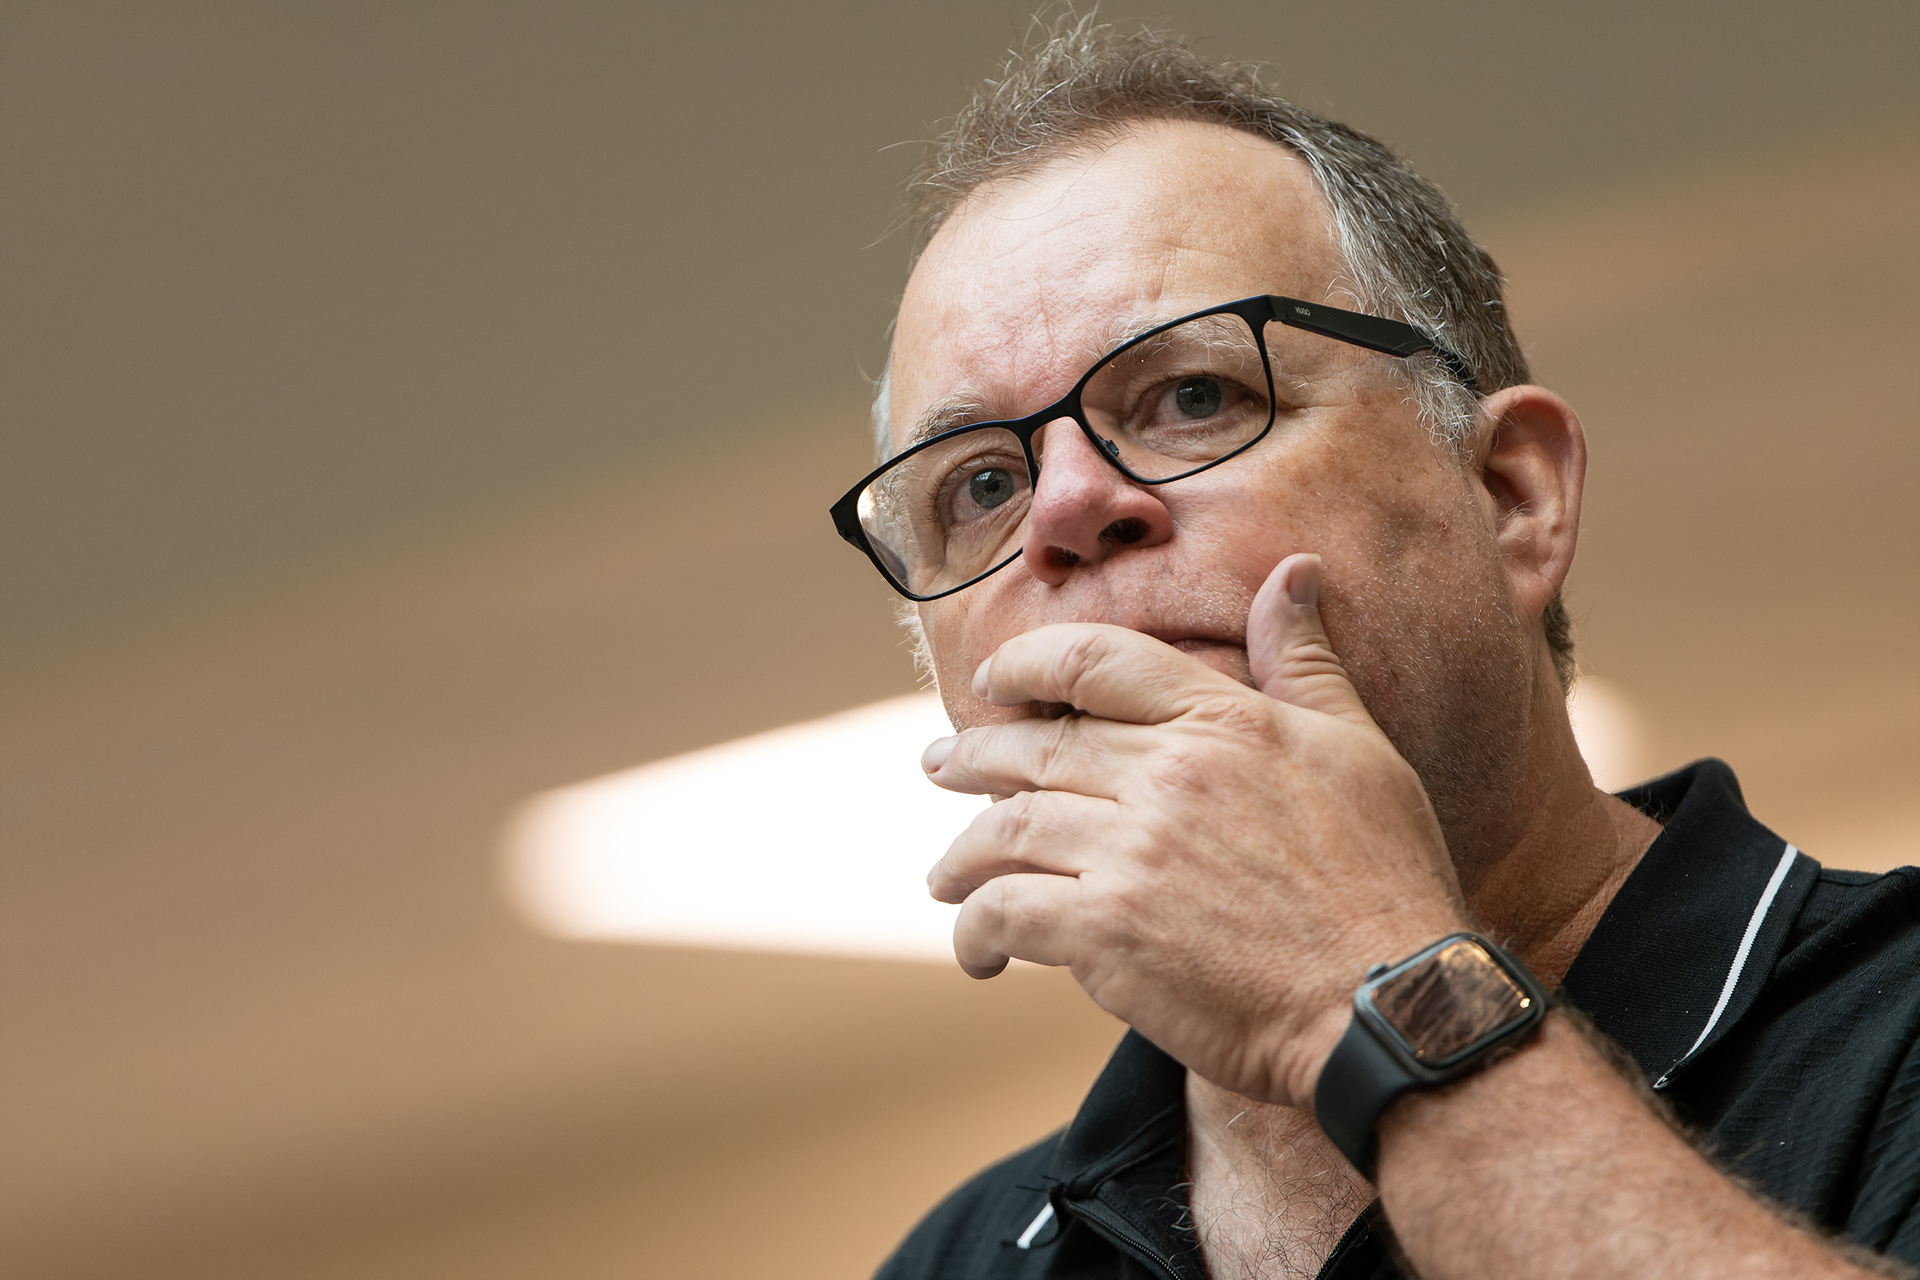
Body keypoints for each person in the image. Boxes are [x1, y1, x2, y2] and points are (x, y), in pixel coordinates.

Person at [828, 19, 1920, 1280]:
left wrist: (1374, 987)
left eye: (1194, 395)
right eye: (979, 484)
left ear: (1512, 498)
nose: (1065, 507)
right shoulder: (962, 1259)